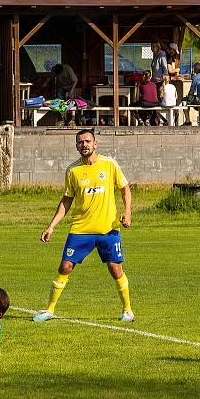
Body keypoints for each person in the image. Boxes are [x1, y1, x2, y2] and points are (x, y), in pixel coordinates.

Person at [33, 129, 133, 323]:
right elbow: (66, 200)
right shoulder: (73, 170)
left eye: (88, 141)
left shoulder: (110, 165)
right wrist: (51, 226)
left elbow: (125, 189)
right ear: (77, 146)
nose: (84, 144)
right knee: (65, 266)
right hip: (80, 229)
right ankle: (49, 310)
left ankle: (127, 311)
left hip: (108, 229)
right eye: (80, 142)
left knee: (115, 269)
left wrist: (127, 212)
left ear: (95, 144)